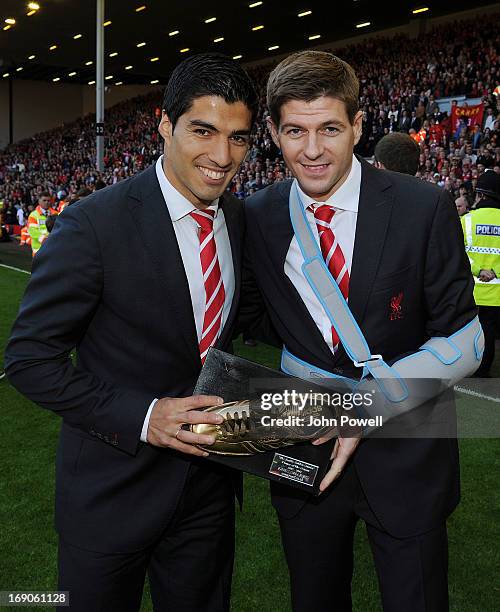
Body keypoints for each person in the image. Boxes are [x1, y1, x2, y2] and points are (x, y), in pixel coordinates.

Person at [5, 53, 257, 612]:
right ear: (165, 125)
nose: (222, 156)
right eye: (203, 131)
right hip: (110, 493)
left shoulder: (236, 219)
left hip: (210, 492)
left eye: (238, 139)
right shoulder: (93, 224)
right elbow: (28, 360)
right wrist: (146, 416)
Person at [241, 50, 477, 612]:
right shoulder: (258, 215)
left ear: (359, 125)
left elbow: (468, 339)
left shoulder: (425, 206)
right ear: (273, 132)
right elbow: (250, 316)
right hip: (307, 445)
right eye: (295, 131)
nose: (313, 149)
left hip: (408, 449)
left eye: (329, 128)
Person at [462, 170, 500, 377]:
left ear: (480, 195)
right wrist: (494, 272)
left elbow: (457, 253)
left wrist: (479, 271)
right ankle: (484, 369)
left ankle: (470, 366)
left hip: (472, 289)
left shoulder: (466, 220)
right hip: (496, 293)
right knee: (489, 330)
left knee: (470, 331)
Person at [27, 192, 59, 256]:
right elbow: (32, 231)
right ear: (39, 201)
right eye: (44, 200)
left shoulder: (56, 214)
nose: (47, 202)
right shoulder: (33, 215)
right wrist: (45, 239)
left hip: (53, 249)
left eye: (48, 200)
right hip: (39, 250)